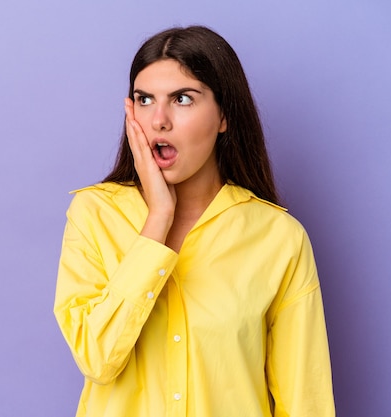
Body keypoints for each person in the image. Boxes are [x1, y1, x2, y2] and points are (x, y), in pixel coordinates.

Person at [54, 25, 335, 417]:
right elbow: (97, 359)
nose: (159, 120)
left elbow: (305, 402)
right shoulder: (94, 215)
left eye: (183, 99)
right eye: (145, 99)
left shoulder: (278, 238)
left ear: (224, 116)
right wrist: (159, 219)